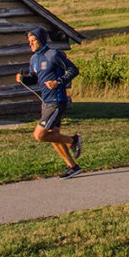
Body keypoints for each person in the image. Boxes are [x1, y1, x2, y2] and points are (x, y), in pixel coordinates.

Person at [16, 27, 83, 178]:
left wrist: (58, 82)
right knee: (53, 135)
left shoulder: (53, 54)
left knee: (39, 135)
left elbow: (73, 70)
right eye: (29, 42)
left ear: (41, 40)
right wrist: (23, 79)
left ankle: (73, 140)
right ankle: (73, 166)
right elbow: (34, 78)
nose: (31, 44)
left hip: (57, 101)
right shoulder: (34, 59)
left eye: (33, 41)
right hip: (45, 102)